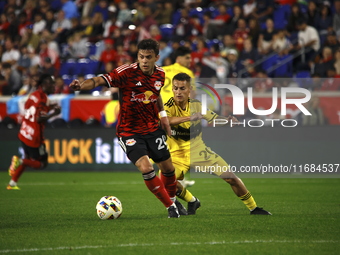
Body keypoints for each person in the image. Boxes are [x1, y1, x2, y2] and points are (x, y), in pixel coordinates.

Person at [69, 39, 184, 218]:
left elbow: (156, 95)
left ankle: (174, 200)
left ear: (156, 58)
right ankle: (170, 207)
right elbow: (100, 80)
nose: (144, 61)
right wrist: (82, 85)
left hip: (152, 128)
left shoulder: (160, 75)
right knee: (146, 168)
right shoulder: (126, 72)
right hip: (128, 131)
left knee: (168, 169)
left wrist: (164, 118)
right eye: (141, 57)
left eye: (148, 57)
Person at [163, 72, 271, 215]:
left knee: (230, 177)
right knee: (165, 182)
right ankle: (192, 200)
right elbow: (167, 121)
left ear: (190, 89)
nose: (178, 92)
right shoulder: (168, 105)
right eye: (175, 88)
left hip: (198, 151)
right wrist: (190, 117)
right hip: (176, 154)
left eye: (182, 88)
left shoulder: (197, 105)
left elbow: (213, 119)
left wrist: (227, 121)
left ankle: (254, 208)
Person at [7, 74, 61, 190]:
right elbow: (39, 118)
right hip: (34, 135)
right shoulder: (43, 99)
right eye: (52, 84)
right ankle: (18, 160)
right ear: (44, 84)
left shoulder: (34, 95)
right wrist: (54, 114)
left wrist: (50, 107)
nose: (54, 86)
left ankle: (12, 183)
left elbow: (31, 109)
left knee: (27, 158)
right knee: (42, 163)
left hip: (24, 131)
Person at [162, 45, 196, 188]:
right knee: (180, 148)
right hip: (177, 113)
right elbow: (192, 95)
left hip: (160, 112)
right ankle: (176, 181)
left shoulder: (162, 70)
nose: (190, 60)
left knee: (167, 148)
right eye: (187, 57)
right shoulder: (187, 72)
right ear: (179, 58)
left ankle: (177, 180)